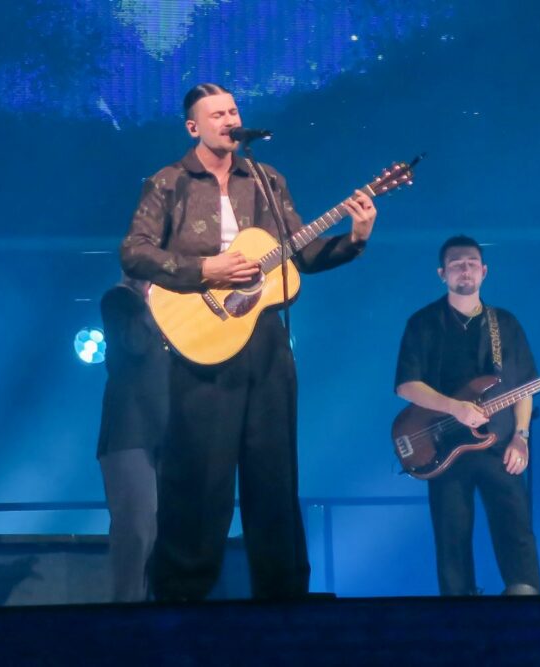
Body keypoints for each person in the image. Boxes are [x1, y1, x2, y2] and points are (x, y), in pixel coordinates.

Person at [120, 82, 377, 600]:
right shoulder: (169, 182)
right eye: (216, 114)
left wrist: (354, 238)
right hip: (200, 343)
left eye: (233, 111)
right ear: (194, 126)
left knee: (274, 474)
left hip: (264, 342)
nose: (228, 119)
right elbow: (134, 252)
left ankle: (283, 597)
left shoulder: (266, 178)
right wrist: (203, 267)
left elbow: (300, 253)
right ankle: (180, 597)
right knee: (199, 477)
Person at [394, 235, 540, 595]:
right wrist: (454, 408)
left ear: (484, 271)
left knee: (516, 530)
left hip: (500, 445)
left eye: (472, 263)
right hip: (444, 447)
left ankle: (527, 607)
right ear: (442, 273)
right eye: (457, 264)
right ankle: (459, 618)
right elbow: (406, 386)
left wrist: (521, 437)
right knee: (451, 539)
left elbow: (525, 386)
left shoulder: (505, 324)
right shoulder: (423, 323)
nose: (465, 269)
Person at [96, 277, 169, 602]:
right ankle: (127, 613)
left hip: (168, 432)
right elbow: (135, 343)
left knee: (165, 532)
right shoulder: (118, 300)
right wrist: (156, 302)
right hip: (129, 433)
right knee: (136, 530)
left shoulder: (174, 306)